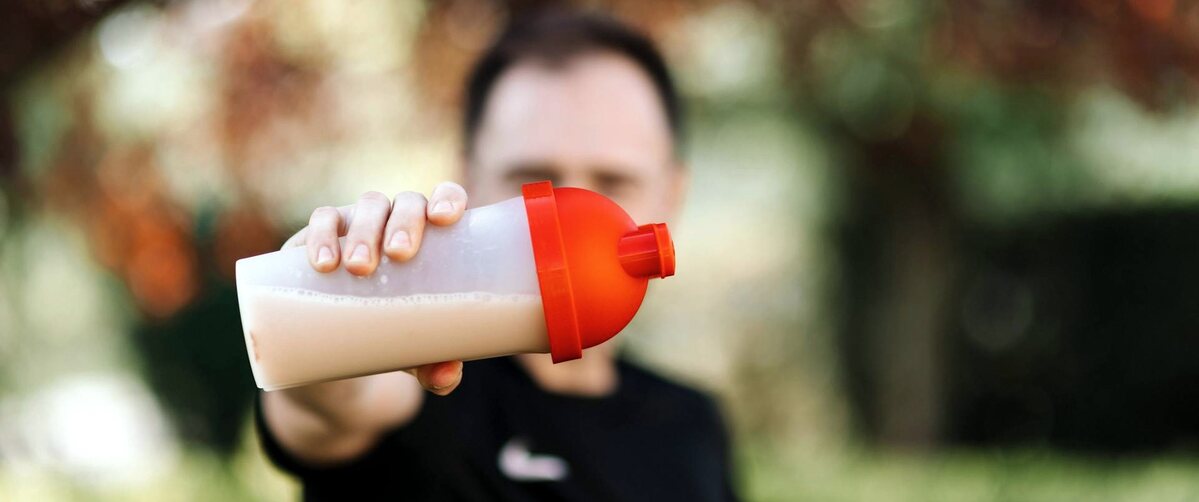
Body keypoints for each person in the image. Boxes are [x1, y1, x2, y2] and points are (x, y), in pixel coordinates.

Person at [256, 10, 738, 501]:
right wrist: (325, 301)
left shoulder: (691, 426)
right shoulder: (416, 376)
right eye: (534, 178)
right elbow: (335, 405)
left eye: (614, 182)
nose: (574, 215)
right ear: (466, 180)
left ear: (671, 197)